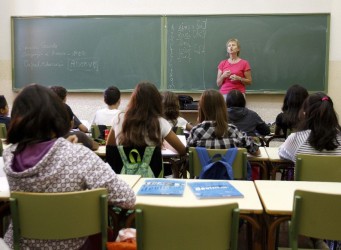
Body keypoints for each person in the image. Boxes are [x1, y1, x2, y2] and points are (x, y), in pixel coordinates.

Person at [3, 84, 136, 249]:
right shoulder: (78, 156)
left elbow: (41, 155)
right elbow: (127, 198)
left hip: (22, 245)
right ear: (56, 115)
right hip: (74, 245)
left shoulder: (10, 156)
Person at [279, 93, 339, 249]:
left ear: (305, 113)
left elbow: (282, 154)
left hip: (306, 207)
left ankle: (317, 238)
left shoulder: (296, 139)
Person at [106, 81, 186, 177]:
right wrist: (164, 143)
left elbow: (110, 147)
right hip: (153, 181)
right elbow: (182, 150)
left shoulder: (118, 118)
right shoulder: (160, 122)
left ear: (134, 99)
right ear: (157, 101)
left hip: (125, 179)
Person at [187, 89, 260, 156]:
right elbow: (256, 152)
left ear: (201, 109)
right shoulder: (233, 130)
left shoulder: (195, 132)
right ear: (223, 108)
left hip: (203, 170)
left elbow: (187, 153)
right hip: (231, 170)